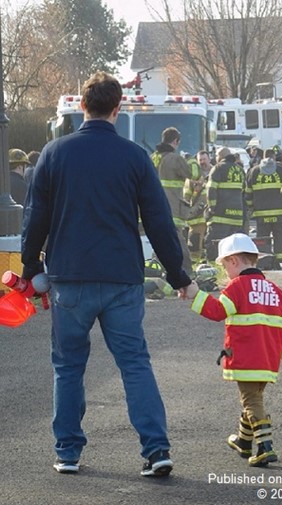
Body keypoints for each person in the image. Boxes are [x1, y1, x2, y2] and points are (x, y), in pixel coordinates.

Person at [21, 71, 194, 477]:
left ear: (83, 106)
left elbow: (35, 218)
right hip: (122, 278)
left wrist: (31, 268)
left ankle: (68, 452)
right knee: (134, 363)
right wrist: (179, 275)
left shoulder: (53, 153)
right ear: (119, 109)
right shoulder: (134, 156)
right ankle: (156, 450)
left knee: (68, 366)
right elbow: (158, 221)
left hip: (69, 279)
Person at [180, 233, 282, 467]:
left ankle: (265, 447)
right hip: (269, 358)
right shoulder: (276, 292)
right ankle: (243, 440)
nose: (225, 272)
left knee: (251, 401)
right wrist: (281, 353)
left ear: (233, 261)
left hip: (248, 358)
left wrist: (194, 295)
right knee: (254, 397)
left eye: (224, 266)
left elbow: (218, 311)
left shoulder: (237, 286)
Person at [151, 127, 200, 276]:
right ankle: (187, 272)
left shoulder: (153, 157)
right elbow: (194, 174)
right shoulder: (175, 158)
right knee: (178, 239)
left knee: (158, 239)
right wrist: (191, 160)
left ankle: (159, 270)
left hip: (154, 207)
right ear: (175, 141)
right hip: (172, 206)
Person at [245, 148, 282, 263]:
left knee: (263, 237)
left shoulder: (253, 171)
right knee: (280, 235)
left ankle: (264, 259)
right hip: (280, 211)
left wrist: (251, 207)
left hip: (261, 213)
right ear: (274, 157)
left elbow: (248, 193)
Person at [204, 147, 245, 262]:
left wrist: (211, 208)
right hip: (237, 216)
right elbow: (243, 190)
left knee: (213, 242)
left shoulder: (217, 168)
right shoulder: (239, 170)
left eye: (216, 155)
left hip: (220, 215)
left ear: (221, 156)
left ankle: (214, 266)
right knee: (231, 247)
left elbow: (211, 190)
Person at [183, 150, 212, 260]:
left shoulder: (216, 173)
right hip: (196, 219)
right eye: (200, 160)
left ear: (209, 159)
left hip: (211, 218)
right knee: (195, 248)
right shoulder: (192, 177)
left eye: (204, 159)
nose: (202, 162)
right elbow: (186, 197)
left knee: (210, 245)